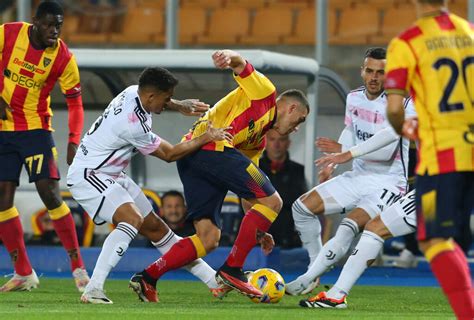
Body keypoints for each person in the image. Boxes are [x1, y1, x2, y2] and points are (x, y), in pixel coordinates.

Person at [129, 49, 309, 301]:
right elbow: (241, 65)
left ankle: (148, 277)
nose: (297, 128)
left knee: (208, 238)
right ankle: (232, 269)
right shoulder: (265, 94)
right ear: (291, 108)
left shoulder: (257, 141)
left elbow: (251, 195)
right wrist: (228, 56)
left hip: (192, 158)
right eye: (300, 119)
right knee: (274, 201)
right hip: (211, 147)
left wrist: (258, 229)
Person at [67, 67, 233, 304]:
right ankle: (93, 288)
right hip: (89, 174)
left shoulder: (133, 91)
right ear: (152, 97)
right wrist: (206, 136)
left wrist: (178, 104)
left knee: (157, 229)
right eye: (166, 98)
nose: (167, 102)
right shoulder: (131, 124)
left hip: (112, 173)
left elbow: (156, 98)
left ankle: (213, 282)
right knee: (132, 219)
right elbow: (170, 154)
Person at [286, 47, 416, 297]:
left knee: (348, 226)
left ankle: (308, 279)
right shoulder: (354, 97)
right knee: (301, 208)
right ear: (362, 71)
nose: (374, 77)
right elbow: (350, 131)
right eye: (370, 71)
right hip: (357, 176)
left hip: (387, 183)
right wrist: (333, 163)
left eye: (381, 72)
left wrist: (347, 152)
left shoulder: (402, 105)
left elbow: (385, 149)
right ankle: (315, 268)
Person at [384, 1, 474, 318]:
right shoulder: (470, 32)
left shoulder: (408, 42)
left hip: (442, 161)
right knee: (457, 245)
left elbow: (395, 109)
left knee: (433, 239)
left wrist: (402, 127)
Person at [0, 1, 89, 292]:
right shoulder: (9, 34)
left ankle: (78, 270)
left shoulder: (63, 56)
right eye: (49, 25)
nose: (54, 31)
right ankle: (23, 272)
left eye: (59, 26)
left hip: (36, 130)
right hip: (3, 131)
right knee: (2, 199)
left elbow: (75, 102)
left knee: (50, 193)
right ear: (35, 22)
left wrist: (73, 141)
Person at [259, 129, 307, 248]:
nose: (276, 144)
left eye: (281, 140)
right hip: (257, 241)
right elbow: (247, 200)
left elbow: (300, 202)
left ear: (288, 143)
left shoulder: (298, 170)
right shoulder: (255, 168)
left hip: (288, 241)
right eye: (272, 139)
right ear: (265, 142)